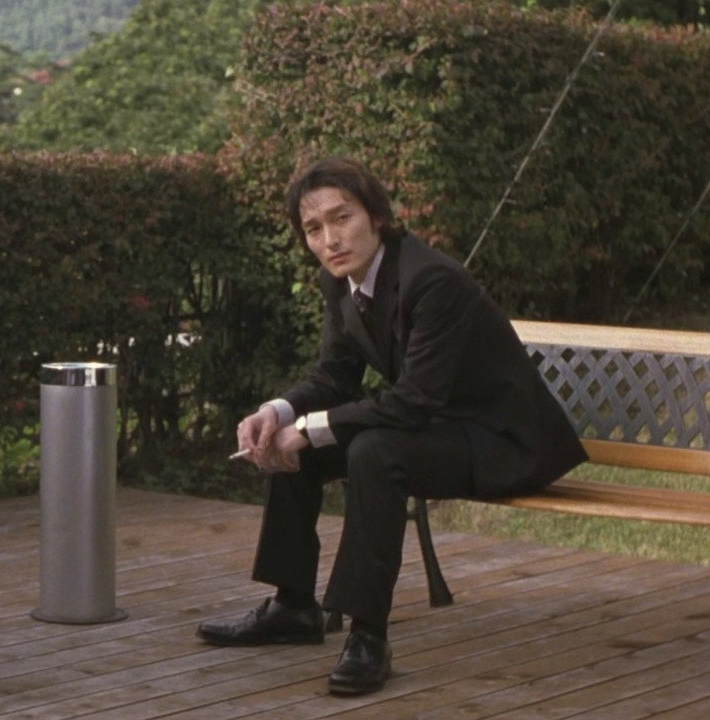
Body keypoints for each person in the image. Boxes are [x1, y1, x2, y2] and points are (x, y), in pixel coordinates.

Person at [197, 156, 585, 695]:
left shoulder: (432, 280)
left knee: (374, 452)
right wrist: (279, 414)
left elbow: (415, 399)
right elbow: (334, 376)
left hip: (504, 443)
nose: (331, 239)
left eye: (343, 217)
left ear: (377, 215)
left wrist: (308, 428)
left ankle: (368, 637)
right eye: (314, 228)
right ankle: (293, 607)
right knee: (309, 444)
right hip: (436, 429)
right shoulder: (341, 281)